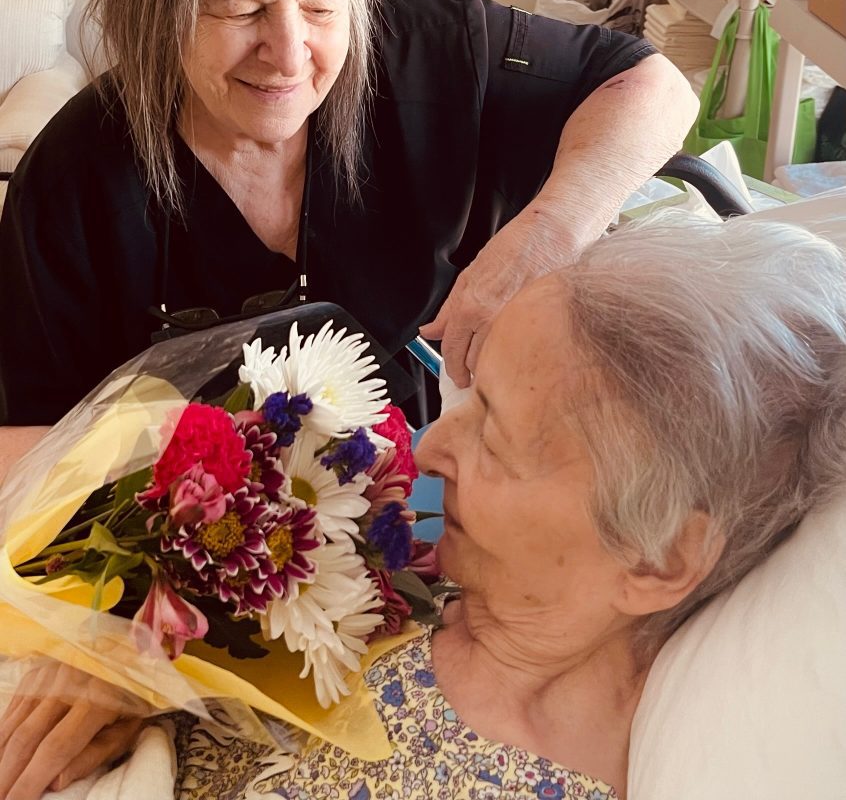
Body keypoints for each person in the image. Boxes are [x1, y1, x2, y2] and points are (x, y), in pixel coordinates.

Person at [1, 210, 846, 800]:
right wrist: (130, 648)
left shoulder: (543, 771)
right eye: (465, 393)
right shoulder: (430, 536)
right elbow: (225, 570)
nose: (432, 444)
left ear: (657, 557)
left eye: (496, 440)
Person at [0, 0, 697, 461]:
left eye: (323, 6)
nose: (289, 53)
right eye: (240, 10)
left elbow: (652, 85)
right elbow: (24, 451)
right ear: (155, 6)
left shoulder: (430, 49)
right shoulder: (74, 179)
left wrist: (546, 234)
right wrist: (189, 450)